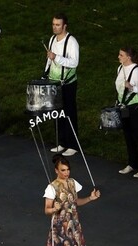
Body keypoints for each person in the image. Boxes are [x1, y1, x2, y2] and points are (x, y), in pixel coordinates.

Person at [42, 154, 100, 246]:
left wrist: (90, 198)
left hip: (74, 224)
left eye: (68, 170)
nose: (66, 173)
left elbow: (76, 202)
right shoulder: (51, 188)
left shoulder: (73, 183)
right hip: (61, 226)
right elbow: (47, 210)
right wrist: (54, 208)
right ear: (56, 170)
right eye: (63, 170)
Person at [44, 13, 79, 157]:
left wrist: (56, 57)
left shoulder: (71, 42)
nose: (55, 27)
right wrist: (45, 73)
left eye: (58, 25)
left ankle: (73, 144)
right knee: (57, 112)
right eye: (53, 24)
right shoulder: (52, 39)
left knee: (69, 112)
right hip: (54, 82)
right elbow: (49, 59)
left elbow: (74, 62)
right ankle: (62, 142)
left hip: (67, 83)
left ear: (65, 26)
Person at [115, 47, 138, 178]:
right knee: (128, 136)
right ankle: (132, 163)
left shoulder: (137, 70)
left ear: (128, 57)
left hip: (137, 108)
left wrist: (132, 87)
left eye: (121, 55)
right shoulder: (120, 68)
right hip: (125, 107)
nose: (118, 57)